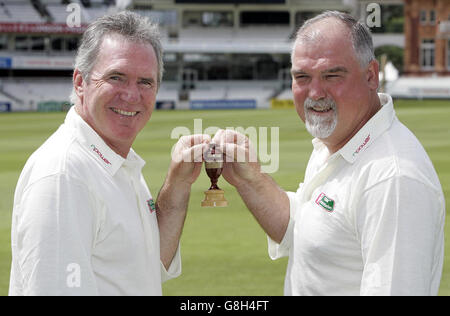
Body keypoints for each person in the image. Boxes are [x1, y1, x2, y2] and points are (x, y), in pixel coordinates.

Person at [213, 11, 445, 295]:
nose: (315, 92)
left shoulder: (392, 179)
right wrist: (249, 178)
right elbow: (306, 231)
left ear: (371, 75)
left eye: (331, 75)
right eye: (302, 77)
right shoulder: (337, 140)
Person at [9, 11, 210, 296]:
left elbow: (145, 268)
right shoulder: (65, 175)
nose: (131, 95)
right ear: (80, 82)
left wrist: (177, 185)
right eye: (117, 77)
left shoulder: (114, 160)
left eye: (145, 82)